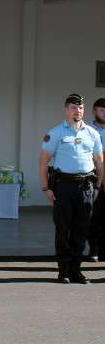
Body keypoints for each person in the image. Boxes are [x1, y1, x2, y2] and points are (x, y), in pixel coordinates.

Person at [39, 93, 104, 284]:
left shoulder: (92, 133)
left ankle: (76, 269)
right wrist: (45, 188)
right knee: (63, 229)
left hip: (85, 186)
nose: (78, 111)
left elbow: (99, 162)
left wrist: (98, 186)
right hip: (63, 186)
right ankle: (64, 271)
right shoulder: (56, 132)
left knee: (81, 229)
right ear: (66, 109)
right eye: (74, 107)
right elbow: (43, 162)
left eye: (81, 108)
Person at [86, 97, 105, 262]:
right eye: (102, 110)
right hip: (93, 176)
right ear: (94, 111)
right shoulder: (87, 130)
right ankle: (94, 248)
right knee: (94, 214)